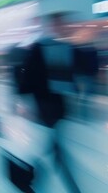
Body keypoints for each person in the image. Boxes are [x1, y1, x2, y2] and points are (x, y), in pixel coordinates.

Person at [14, 12, 82, 193]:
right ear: (52, 26)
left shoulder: (65, 47)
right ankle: (27, 180)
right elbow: (26, 76)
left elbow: (68, 76)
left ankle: (27, 180)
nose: (64, 27)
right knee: (53, 151)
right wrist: (25, 102)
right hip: (45, 104)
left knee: (51, 150)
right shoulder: (40, 47)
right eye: (61, 24)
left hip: (56, 105)